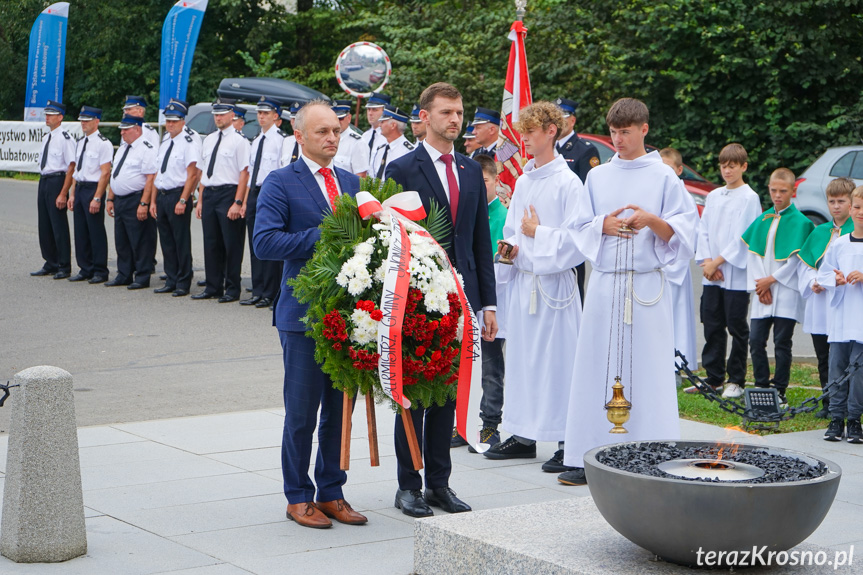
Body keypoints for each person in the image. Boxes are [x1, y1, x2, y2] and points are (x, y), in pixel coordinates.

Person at [559, 98, 697, 486]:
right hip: (605, 282)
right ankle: (586, 455)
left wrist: (652, 220)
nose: (618, 140)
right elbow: (578, 226)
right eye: (614, 132)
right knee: (595, 367)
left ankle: (651, 455)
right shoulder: (599, 177)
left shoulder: (664, 177)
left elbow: (686, 233)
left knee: (648, 370)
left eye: (626, 132)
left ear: (644, 130)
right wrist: (601, 226)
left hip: (646, 284)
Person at [385, 82, 498, 518]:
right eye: (447, 112)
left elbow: (480, 241)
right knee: (413, 393)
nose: (456, 119)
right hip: (415, 296)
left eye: (459, 112)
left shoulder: (471, 170)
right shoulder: (402, 169)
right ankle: (407, 485)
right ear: (425, 117)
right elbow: (388, 239)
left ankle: (439, 484)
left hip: (462, 297)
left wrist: (488, 304)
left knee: (447, 395)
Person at [253, 100, 367, 529]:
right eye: (322, 132)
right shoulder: (281, 182)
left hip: (350, 316)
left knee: (340, 412)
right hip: (302, 317)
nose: (332, 138)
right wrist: (322, 235)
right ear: (299, 135)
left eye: (336, 131)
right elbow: (265, 243)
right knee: (301, 412)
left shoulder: (352, 182)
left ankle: (331, 491)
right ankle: (297, 495)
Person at [482, 102, 584, 475]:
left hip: (554, 287)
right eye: (522, 131)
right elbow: (512, 232)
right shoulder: (524, 182)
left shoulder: (568, 182)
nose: (523, 138)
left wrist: (536, 233)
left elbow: (576, 242)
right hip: (525, 283)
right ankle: (523, 435)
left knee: (558, 364)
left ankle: (564, 440)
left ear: (551, 132)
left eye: (530, 132)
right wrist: (508, 250)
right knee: (524, 361)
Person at [688, 143, 763, 398]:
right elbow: (704, 229)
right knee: (712, 323)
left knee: (736, 326)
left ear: (743, 166)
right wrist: (707, 262)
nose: (727, 171)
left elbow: (744, 236)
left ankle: (736, 380)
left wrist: (717, 262)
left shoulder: (749, 197)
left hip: (735, 274)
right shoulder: (715, 196)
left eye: (732, 166)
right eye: (723, 166)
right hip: (713, 273)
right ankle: (714, 377)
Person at [735, 168, 814, 405]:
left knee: (782, 342)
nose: (777, 195)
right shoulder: (763, 218)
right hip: (763, 291)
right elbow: (753, 254)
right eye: (773, 190)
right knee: (756, 341)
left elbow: (796, 260)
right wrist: (762, 284)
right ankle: (761, 386)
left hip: (785, 290)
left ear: (793, 190)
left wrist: (772, 280)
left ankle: (779, 390)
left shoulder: (801, 223)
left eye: (783, 191)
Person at [451, 154, 507, 451]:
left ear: (496, 181)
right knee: (464, 365)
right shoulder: (465, 211)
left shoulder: (503, 215)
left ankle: (489, 425)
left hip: (494, 300)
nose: (478, 186)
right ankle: (463, 423)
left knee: (490, 365)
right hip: (466, 298)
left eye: (484, 181)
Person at [798, 177, 855, 418]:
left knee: (847, 357)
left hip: (847, 302)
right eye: (832, 201)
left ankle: (849, 404)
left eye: (841, 201)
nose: (836, 206)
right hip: (821, 303)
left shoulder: (857, 233)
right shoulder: (820, 231)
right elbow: (805, 266)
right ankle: (828, 401)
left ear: (852, 203)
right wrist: (814, 282)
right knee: (824, 355)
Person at [192, 99, 250, 303]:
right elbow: (202, 172)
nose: (218, 118)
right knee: (211, 242)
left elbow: (244, 173)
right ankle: (212, 286)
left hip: (229, 193)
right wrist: (200, 200)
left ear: (231, 115)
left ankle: (232, 288)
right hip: (209, 194)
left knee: (231, 243)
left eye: (222, 114)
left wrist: (238, 201)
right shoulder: (208, 140)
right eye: (215, 114)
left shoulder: (239, 141)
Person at [817, 185, 863, 443]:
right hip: (842, 317)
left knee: (859, 373)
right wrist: (836, 279)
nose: (860, 212)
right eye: (857, 207)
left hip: (861, 321)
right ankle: (836, 418)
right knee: (837, 367)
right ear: (851, 208)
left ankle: (855, 419)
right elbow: (824, 272)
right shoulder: (840, 244)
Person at [151, 101, 201, 297]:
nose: (170, 124)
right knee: (167, 240)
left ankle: (183, 281)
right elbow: (158, 173)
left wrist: (183, 199)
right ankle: (170, 278)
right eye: (168, 121)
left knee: (181, 241)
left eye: (174, 121)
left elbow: (192, 174)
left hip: (177, 195)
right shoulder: (165, 140)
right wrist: (153, 201)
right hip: (163, 194)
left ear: (183, 121)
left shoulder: (188, 142)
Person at [240, 96, 286, 308]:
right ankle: (257, 290)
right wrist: (245, 200)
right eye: (259, 113)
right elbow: (251, 172)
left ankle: (271, 291)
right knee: (255, 242)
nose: (261, 116)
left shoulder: (280, 141)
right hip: (254, 192)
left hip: (271, 193)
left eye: (266, 113)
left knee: (269, 242)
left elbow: (280, 172)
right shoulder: (257, 139)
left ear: (276, 115)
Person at [105, 114, 158, 289]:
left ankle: (142, 276)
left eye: (126, 130)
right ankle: (124, 273)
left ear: (137, 129)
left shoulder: (146, 148)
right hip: (120, 199)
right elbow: (115, 174)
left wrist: (144, 203)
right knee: (122, 239)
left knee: (140, 239)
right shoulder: (122, 148)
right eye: (121, 130)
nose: (122, 133)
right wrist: (110, 198)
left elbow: (150, 178)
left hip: (136, 198)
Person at [659, 148, 699, 379]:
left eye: (669, 167)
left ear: (679, 170)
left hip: (674, 267)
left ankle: (676, 366)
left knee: (676, 319)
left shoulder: (684, 196)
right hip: (658, 266)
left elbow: (687, 233)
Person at [67, 106, 113, 284]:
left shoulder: (103, 143)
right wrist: (72, 194)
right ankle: (85, 268)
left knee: (95, 231)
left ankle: (100, 270)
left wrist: (97, 197)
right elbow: (76, 170)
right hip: (80, 188)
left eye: (87, 120)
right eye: (82, 120)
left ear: (97, 121)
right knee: (80, 230)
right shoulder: (80, 142)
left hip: (93, 188)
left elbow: (105, 173)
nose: (83, 124)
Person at [31, 100, 76, 280]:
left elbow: (71, 167)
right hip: (44, 180)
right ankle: (50, 261)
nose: (47, 118)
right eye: (46, 115)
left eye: (51, 115)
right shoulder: (47, 137)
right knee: (45, 223)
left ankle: (64, 265)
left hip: (57, 181)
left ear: (60, 117)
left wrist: (63, 192)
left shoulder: (66, 138)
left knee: (58, 225)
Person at [554, 98, 600, 184]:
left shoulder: (586, 150)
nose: (558, 123)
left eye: (562, 118)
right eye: (555, 118)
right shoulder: (549, 147)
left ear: (572, 121)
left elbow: (589, 186)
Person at [369, 105, 415, 179]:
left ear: (393, 125)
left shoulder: (408, 152)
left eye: (383, 122)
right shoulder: (380, 149)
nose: (380, 125)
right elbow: (372, 176)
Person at [332, 99, 369, 177]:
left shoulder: (357, 142)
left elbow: (361, 177)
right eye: (334, 118)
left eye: (340, 118)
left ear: (349, 118)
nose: (337, 122)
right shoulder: (325, 139)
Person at [360, 93, 390, 158]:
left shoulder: (388, 137)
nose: (370, 113)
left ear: (385, 111)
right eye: (368, 109)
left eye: (374, 110)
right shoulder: (365, 136)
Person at [279, 102, 303, 167]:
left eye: (299, 120)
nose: (295, 123)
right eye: (293, 119)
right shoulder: (286, 141)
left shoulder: (310, 141)